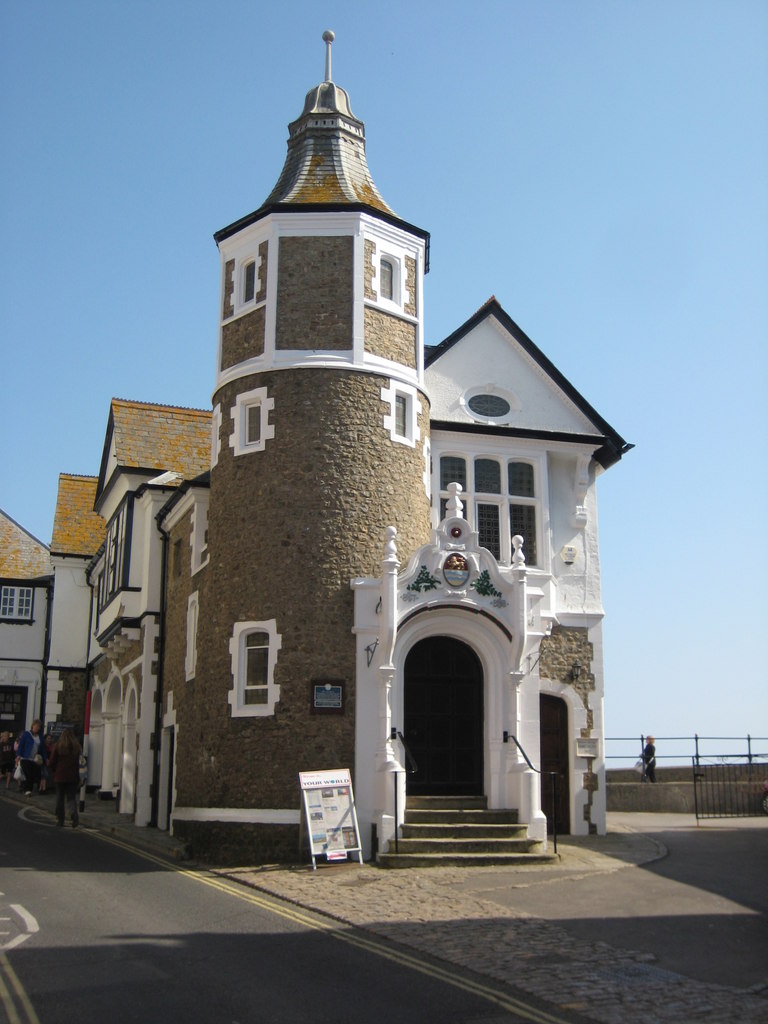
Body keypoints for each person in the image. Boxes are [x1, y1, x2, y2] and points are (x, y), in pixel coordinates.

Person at [47, 729, 81, 828]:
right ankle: (74, 816)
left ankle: (60, 819)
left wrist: (54, 771)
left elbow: (52, 761)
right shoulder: (76, 747)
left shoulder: (58, 746)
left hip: (60, 776)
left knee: (60, 798)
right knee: (71, 798)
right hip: (73, 777)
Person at [16, 720, 47, 796]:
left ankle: (28, 789)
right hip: (25, 758)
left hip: (35, 759)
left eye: (38, 727)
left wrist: (46, 758)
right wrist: (18, 756)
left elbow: (43, 749)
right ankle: (27, 790)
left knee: (32, 775)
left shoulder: (40, 737)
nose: (37, 728)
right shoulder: (26, 734)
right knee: (27, 774)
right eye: (36, 726)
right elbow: (21, 745)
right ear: (33, 726)